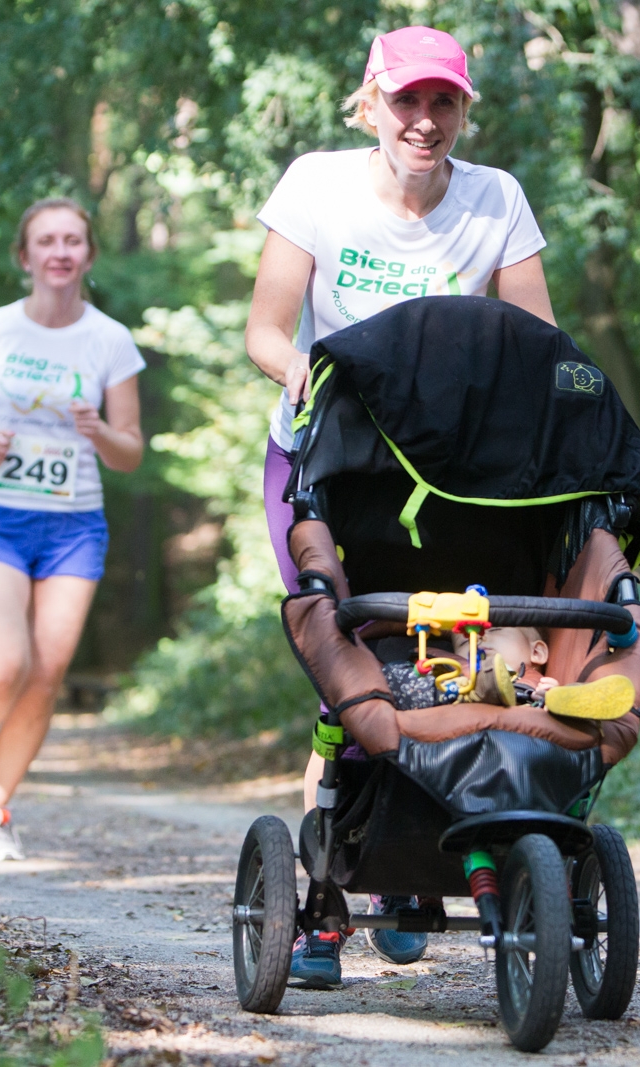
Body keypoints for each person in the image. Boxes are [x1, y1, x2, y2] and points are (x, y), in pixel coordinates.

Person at [244, 25, 556, 987]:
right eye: (407, 101)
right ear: (371, 101)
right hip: (329, 463)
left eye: (444, 103)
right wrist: (306, 372)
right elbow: (266, 324)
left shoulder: (495, 198)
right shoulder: (317, 185)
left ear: (464, 109)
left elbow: (535, 340)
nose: (424, 121)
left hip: (454, 481)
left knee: (462, 661)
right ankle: (328, 905)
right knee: (354, 666)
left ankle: (419, 869)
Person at [0, 196, 144, 864]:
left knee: (46, 672)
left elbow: (130, 450)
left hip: (74, 523)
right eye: (46, 240)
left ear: (88, 255)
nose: (60, 251)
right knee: (3, 663)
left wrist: (99, 431)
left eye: (73, 240)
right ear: (25, 256)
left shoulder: (110, 339)